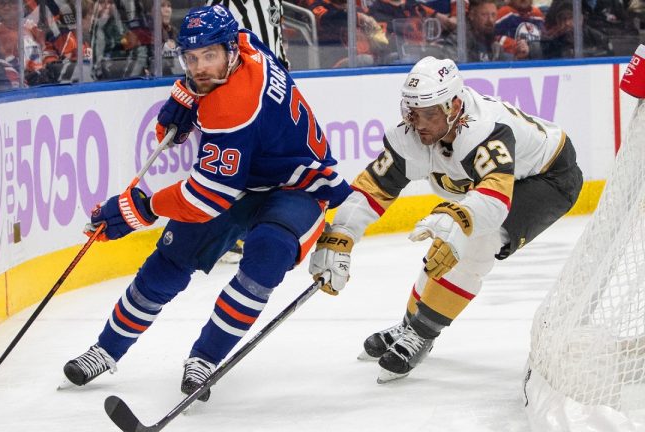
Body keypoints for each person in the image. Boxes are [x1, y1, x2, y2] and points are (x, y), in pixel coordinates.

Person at [63, 4, 351, 401]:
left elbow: (207, 198)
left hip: (297, 187)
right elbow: (212, 174)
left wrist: (140, 209)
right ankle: (106, 349)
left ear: (230, 52)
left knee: (266, 255)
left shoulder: (232, 105)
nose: (199, 67)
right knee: (170, 259)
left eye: (209, 57)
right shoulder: (248, 45)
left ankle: (205, 357)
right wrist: (185, 95)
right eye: (191, 58)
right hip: (244, 179)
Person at [309, 56, 582, 383]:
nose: (419, 123)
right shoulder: (412, 135)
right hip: (499, 183)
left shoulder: (484, 131)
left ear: (454, 106)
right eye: (412, 112)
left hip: (547, 177)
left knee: (475, 241)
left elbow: (495, 199)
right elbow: (373, 189)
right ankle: (411, 323)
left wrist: (461, 219)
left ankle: (423, 332)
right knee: (449, 242)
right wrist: (341, 235)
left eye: (429, 113)